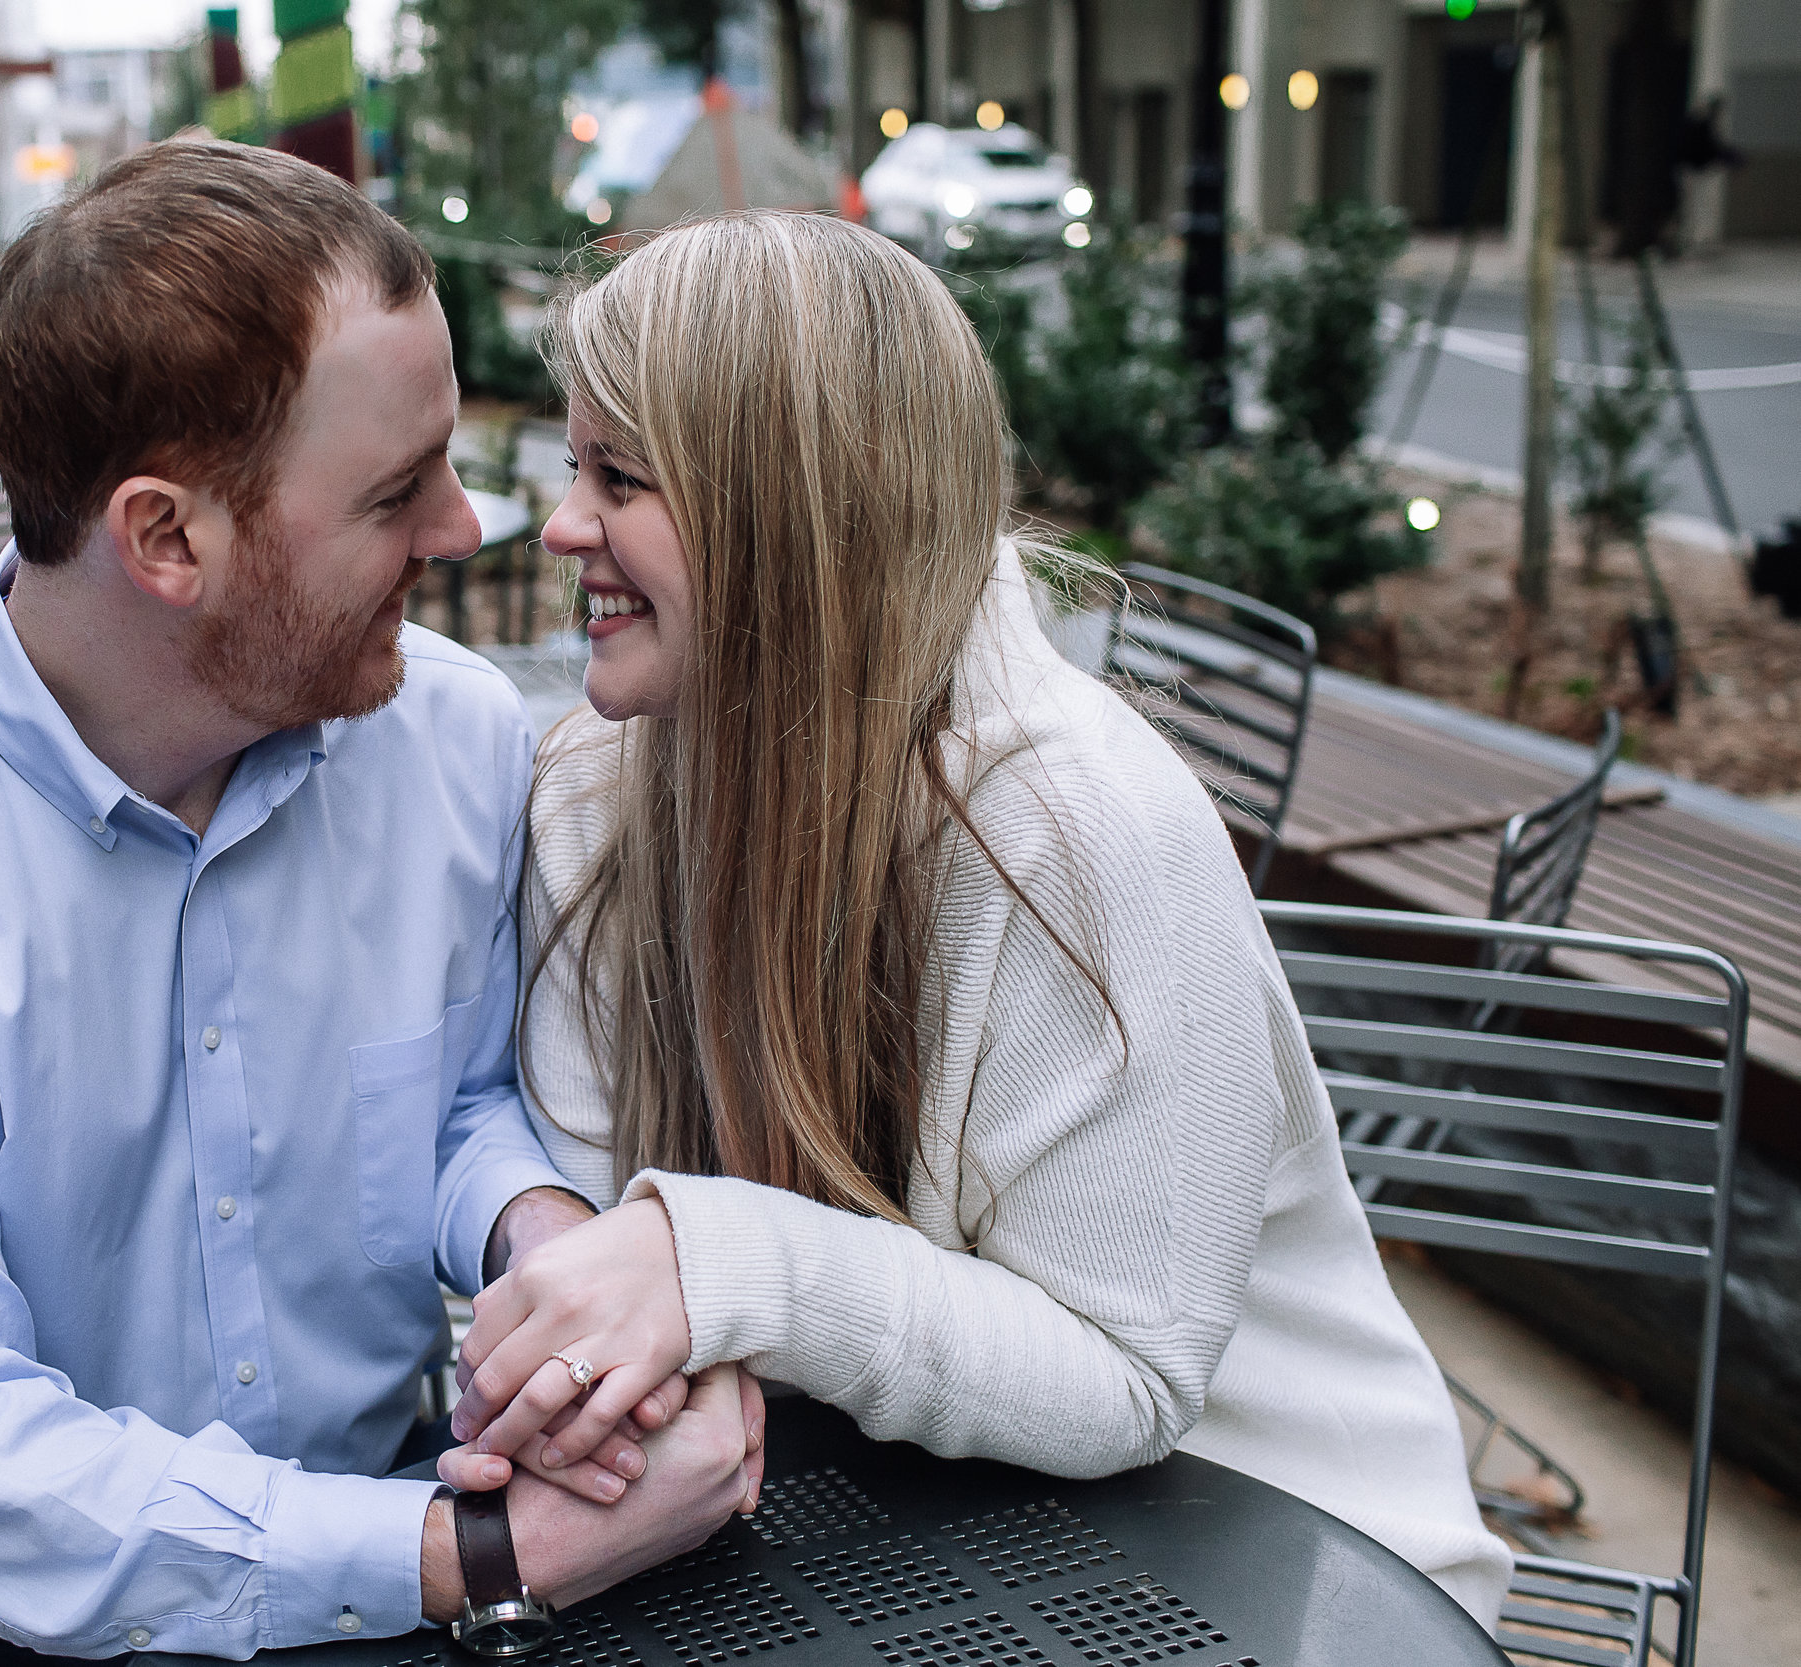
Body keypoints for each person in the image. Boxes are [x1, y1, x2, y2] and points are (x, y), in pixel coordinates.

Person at [0, 141, 760, 1666]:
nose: (464, 530)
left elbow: (459, 1106)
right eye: (396, 491)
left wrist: (558, 1257)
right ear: (167, 538)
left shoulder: (450, 737)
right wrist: (483, 1551)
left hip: (389, 1497)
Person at [445, 212, 1515, 1630]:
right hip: (867, 1539)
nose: (563, 523)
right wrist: (597, 1354)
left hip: (1274, 1568)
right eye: (575, 469)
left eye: (621, 477)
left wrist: (720, 1268)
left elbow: (1130, 1377)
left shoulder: (1085, 827)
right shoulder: (595, 787)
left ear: (799, 507)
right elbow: (614, 1240)